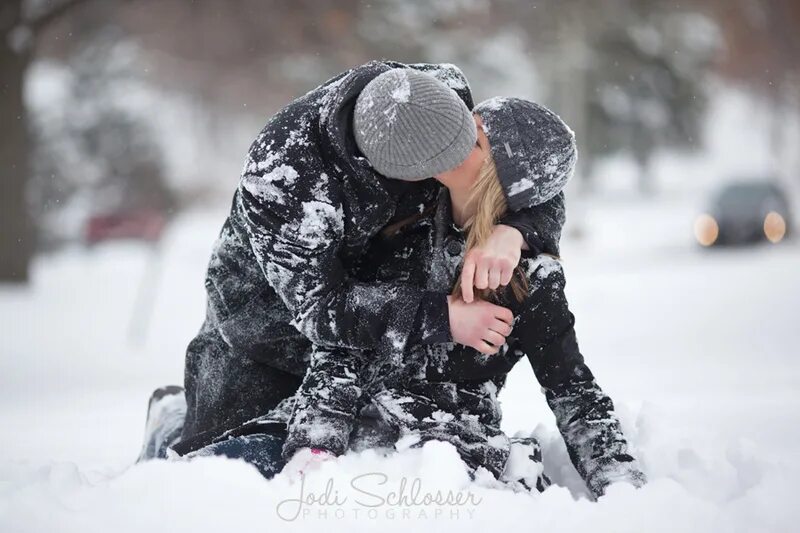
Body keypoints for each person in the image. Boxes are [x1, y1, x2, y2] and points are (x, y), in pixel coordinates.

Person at [138, 62, 566, 460]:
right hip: (270, 318)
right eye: (444, 166)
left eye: (469, 143)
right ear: (404, 174)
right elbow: (319, 308)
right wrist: (441, 316)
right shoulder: (281, 176)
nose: (461, 162)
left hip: (382, 319)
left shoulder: (431, 98)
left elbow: (524, 173)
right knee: (213, 456)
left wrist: (516, 230)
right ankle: (169, 418)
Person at [276, 98, 647, 499]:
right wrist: (315, 445)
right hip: (348, 432)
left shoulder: (531, 279)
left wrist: (624, 493)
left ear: (498, 177)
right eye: (463, 124)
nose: (452, 136)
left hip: (452, 460)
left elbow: (574, 393)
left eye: (475, 142)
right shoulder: (399, 221)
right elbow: (342, 345)